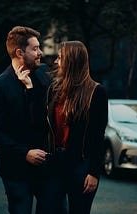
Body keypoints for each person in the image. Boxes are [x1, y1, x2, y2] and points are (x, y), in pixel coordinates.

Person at [0, 26, 52, 214]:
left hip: (46, 165)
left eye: (39, 47)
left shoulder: (44, 74)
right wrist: (24, 153)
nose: (40, 53)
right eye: (35, 48)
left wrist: (30, 89)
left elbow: (44, 118)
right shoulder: (0, 85)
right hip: (16, 169)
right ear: (19, 52)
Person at [46, 41, 108, 213]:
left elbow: (97, 136)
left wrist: (94, 172)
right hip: (55, 163)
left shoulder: (96, 92)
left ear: (72, 61)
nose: (57, 62)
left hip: (81, 165)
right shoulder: (54, 89)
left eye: (60, 58)